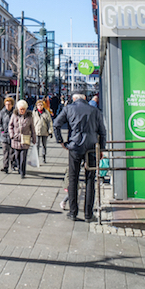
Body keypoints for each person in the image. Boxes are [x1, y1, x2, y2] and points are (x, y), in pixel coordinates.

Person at [54, 92, 106, 222]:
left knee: (73, 178)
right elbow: (102, 131)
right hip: (92, 148)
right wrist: (101, 149)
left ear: (73, 99)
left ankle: (73, 212)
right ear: (85, 99)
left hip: (75, 146)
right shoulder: (95, 110)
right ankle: (88, 214)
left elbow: (56, 124)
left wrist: (61, 141)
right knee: (90, 180)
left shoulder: (69, 108)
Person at [8, 99, 36, 178]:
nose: (22, 111)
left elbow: (32, 129)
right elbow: (10, 126)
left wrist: (34, 138)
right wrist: (11, 135)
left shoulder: (29, 117)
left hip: (25, 139)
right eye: (21, 109)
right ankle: (19, 168)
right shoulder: (14, 115)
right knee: (17, 156)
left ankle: (22, 172)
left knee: (23, 157)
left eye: (23, 109)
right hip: (16, 139)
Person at [0, 97, 15, 173]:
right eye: (6, 104)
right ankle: (5, 166)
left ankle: (13, 165)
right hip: (4, 135)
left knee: (12, 152)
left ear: (12, 105)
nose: (7, 106)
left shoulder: (14, 112)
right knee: (5, 151)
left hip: (12, 135)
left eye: (9, 104)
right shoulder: (2, 112)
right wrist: (1, 130)